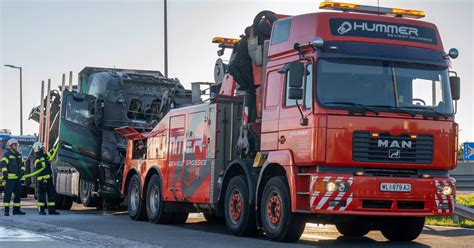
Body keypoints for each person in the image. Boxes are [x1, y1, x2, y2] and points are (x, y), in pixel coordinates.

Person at [25, 142, 60, 215]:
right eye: (42, 147)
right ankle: (41, 210)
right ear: (39, 148)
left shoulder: (45, 155)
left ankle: (52, 211)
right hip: (42, 180)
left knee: (51, 194)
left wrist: (57, 145)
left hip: (48, 179)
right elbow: (38, 165)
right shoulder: (37, 157)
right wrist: (47, 162)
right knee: (41, 196)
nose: (44, 148)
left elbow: (52, 153)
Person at [0, 139, 25, 216]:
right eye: (14, 145)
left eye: (16, 145)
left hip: (17, 179)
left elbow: (22, 165)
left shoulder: (19, 155)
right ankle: (6, 211)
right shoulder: (7, 155)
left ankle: (16, 210)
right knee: (8, 195)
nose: (16, 146)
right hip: (9, 179)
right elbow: (3, 165)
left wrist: (21, 172)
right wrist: (5, 174)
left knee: (18, 195)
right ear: (10, 146)